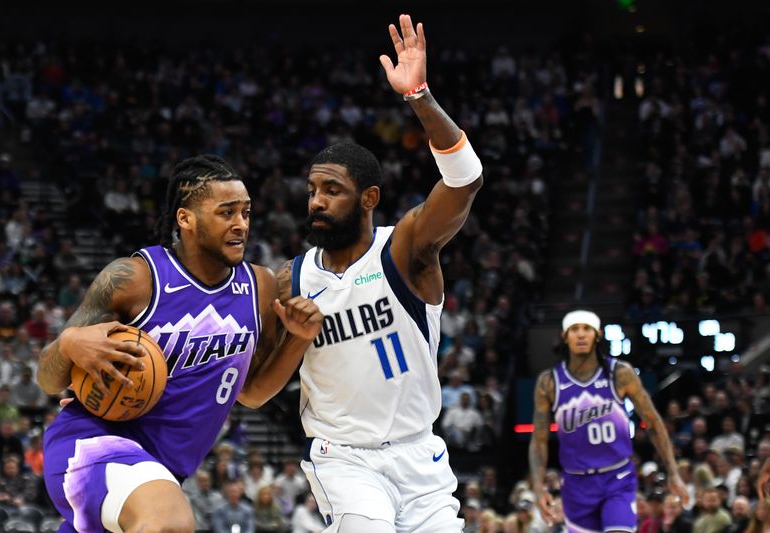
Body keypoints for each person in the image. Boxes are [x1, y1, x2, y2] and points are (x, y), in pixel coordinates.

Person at [38, 154, 323, 533]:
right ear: (185, 219)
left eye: (246, 212)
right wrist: (69, 343)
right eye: (227, 213)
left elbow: (251, 393)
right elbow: (47, 378)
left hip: (162, 473)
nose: (241, 225)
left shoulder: (260, 287)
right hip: (92, 445)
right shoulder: (135, 279)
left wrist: (298, 341)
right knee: (169, 522)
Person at [280, 14, 483, 532]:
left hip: (421, 457)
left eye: (332, 191)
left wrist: (419, 96)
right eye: (312, 191)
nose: (317, 202)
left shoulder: (405, 250)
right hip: (344, 458)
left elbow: (465, 180)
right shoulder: (291, 281)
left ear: (369, 198)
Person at [529, 310, 689, 532]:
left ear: (598, 335)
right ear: (565, 336)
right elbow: (539, 440)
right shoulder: (549, 382)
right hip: (576, 484)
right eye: (575, 330)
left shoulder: (620, 373)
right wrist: (538, 487)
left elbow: (653, 423)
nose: (581, 335)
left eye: (587, 329)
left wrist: (673, 473)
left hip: (617, 478)